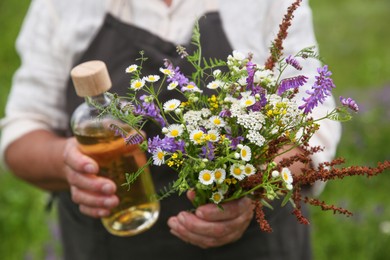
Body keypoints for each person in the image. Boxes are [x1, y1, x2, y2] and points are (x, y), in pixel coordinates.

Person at [0, 0, 341, 259]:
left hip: (256, 244)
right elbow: (24, 128)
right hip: (111, 244)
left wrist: (253, 185)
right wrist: (67, 162)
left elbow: (309, 125)